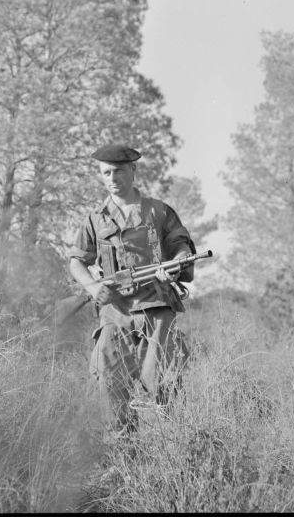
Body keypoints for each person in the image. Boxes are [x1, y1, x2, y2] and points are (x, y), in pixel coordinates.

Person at [68, 145, 195, 437]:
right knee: (110, 381)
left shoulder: (158, 210)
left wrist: (174, 265)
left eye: (119, 171)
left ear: (133, 171)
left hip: (156, 304)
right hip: (115, 311)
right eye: (106, 173)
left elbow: (182, 246)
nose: (112, 178)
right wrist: (92, 285)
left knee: (164, 381)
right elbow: (77, 261)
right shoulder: (95, 219)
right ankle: (124, 458)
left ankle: (178, 450)